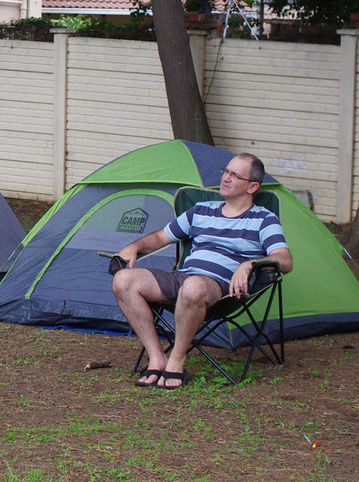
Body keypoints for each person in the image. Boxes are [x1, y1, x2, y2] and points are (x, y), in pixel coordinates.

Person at [112, 152, 292, 389]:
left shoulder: (263, 219)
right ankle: (157, 357)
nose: (226, 178)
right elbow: (159, 237)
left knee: (194, 286)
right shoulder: (201, 211)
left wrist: (250, 264)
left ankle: (176, 359)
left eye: (235, 175)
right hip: (184, 277)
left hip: (221, 287)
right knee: (123, 280)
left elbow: (284, 260)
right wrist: (135, 246)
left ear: (252, 186)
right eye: (225, 172)